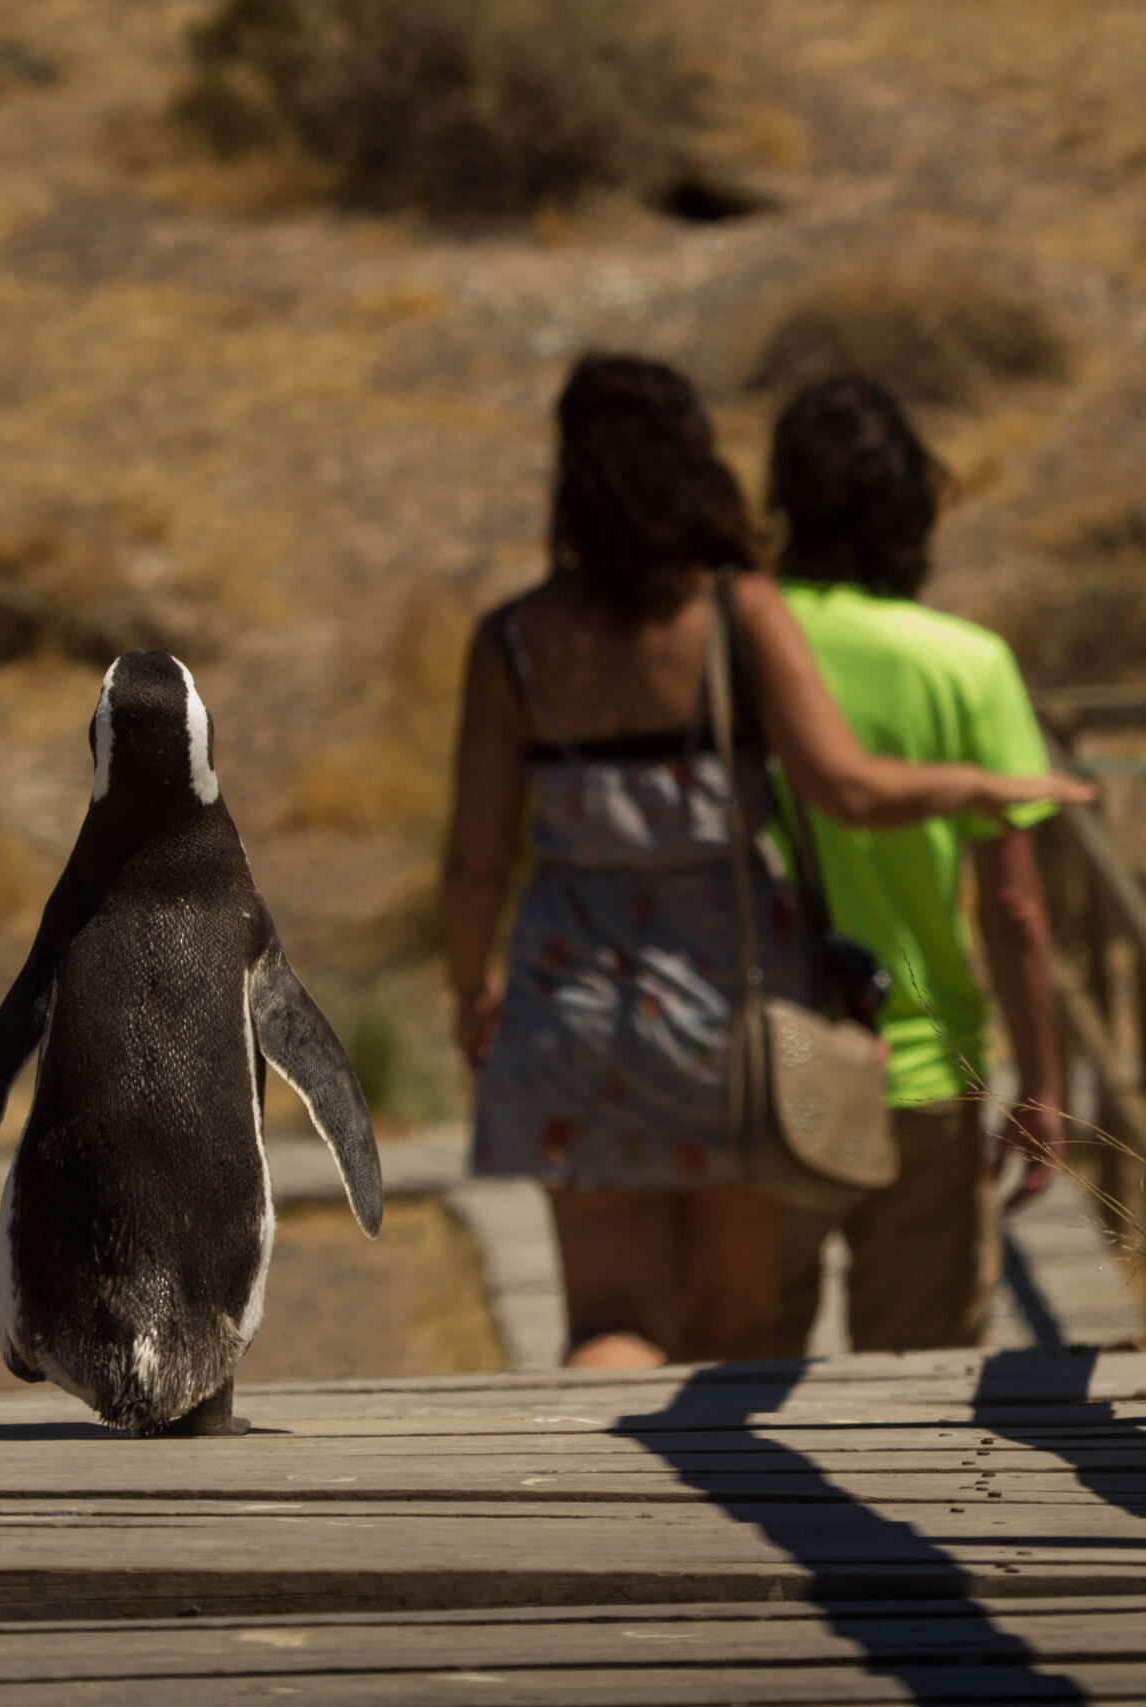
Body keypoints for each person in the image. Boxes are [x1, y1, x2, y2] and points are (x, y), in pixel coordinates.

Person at [441, 354, 1091, 1372]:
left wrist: (468, 988)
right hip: (728, 1008)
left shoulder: (515, 641)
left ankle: (587, 1464)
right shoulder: (733, 613)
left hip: (571, 1006)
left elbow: (475, 859)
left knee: (610, 1317)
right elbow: (848, 789)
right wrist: (976, 785)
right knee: (733, 1326)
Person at [762, 375, 1069, 1356]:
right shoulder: (966, 663)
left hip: (765, 1068)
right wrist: (1040, 1085)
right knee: (919, 1388)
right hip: (927, 1070)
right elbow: (1013, 908)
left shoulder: (734, 644)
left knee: (731, 1378)